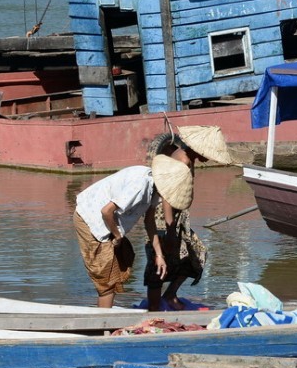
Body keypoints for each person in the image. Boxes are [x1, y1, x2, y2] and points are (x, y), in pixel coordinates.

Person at [73, 154, 193, 308]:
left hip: (108, 223)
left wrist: (159, 255)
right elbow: (106, 211)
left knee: (120, 267)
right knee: (107, 284)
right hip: (91, 219)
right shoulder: (140, 186)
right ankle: (103, 327)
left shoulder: (156, 187)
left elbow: (149, 222)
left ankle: (105, 318)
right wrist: (117, 236)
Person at [146, 125, 234, 311]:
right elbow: (167, 196)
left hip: (178, 216)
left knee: (196, 254)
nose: (208, 158)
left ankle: (170, 294)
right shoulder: (182, 161)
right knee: (159, 260)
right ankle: (154, 307)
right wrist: (170, 230)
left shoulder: (187, 156)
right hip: (165, 216)